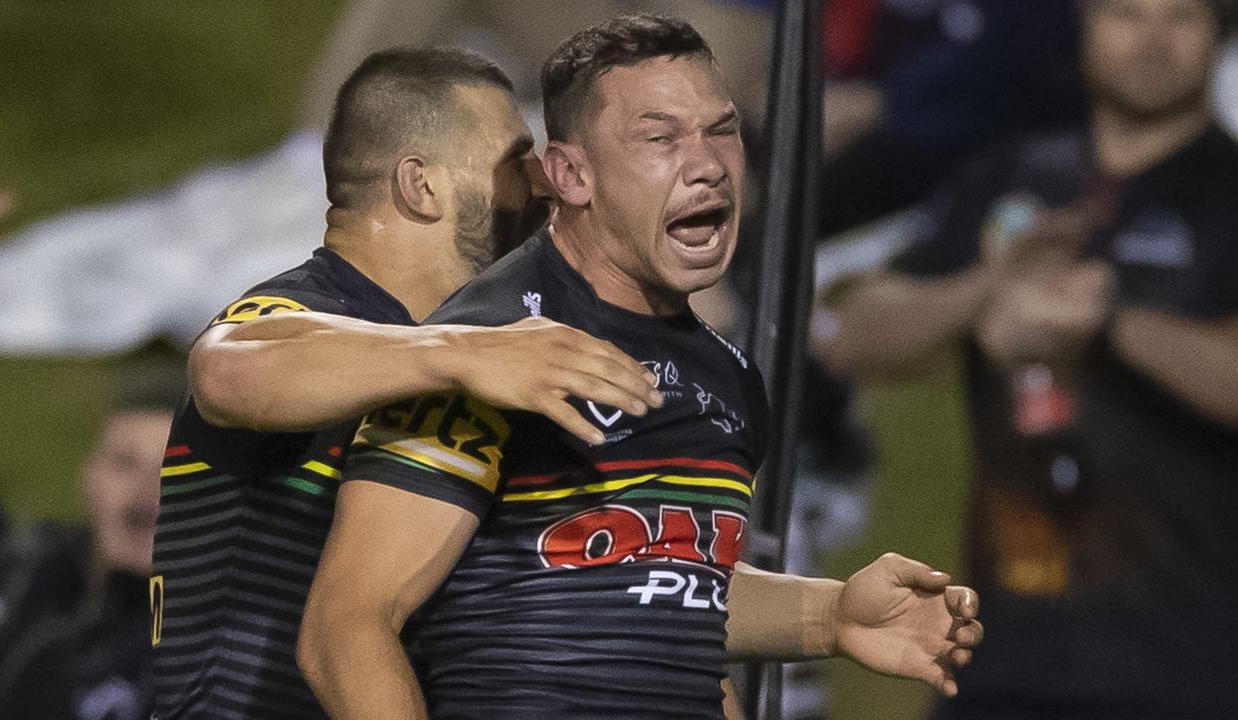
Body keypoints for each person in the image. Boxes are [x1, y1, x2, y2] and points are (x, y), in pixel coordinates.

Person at [300, 15, 982, 719]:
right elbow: (347, 627)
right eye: (660, 138)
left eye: (722, 132)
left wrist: (834, 615)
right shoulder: (488, 351)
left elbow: (668, 606)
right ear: (571, 174)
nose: (709, 164)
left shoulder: (724, 375)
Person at [151, 48, 665, 720]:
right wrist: (457, 352)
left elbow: (622, 575)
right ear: (421, 186)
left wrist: (820, 614)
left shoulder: (480, 364)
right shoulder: (302, 314)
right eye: (515, 159)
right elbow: (224, 369)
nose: (542, 185)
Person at [828, 0, 1238, 717]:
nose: (1153, 41)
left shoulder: (1228, 192)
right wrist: (986, 290)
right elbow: (857, 333)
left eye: (1181, 18)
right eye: (1128, 15)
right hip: (998, 653)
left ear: (1218, 35)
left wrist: (1108, 320)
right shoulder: (1011, 176)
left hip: (1189, 660)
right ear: (1083, 27)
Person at [0, 368, 177, 720]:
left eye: (172, 471)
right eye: (125, 464)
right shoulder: (14, 583)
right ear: (89, 475)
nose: (146, 495)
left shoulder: (234, 649)